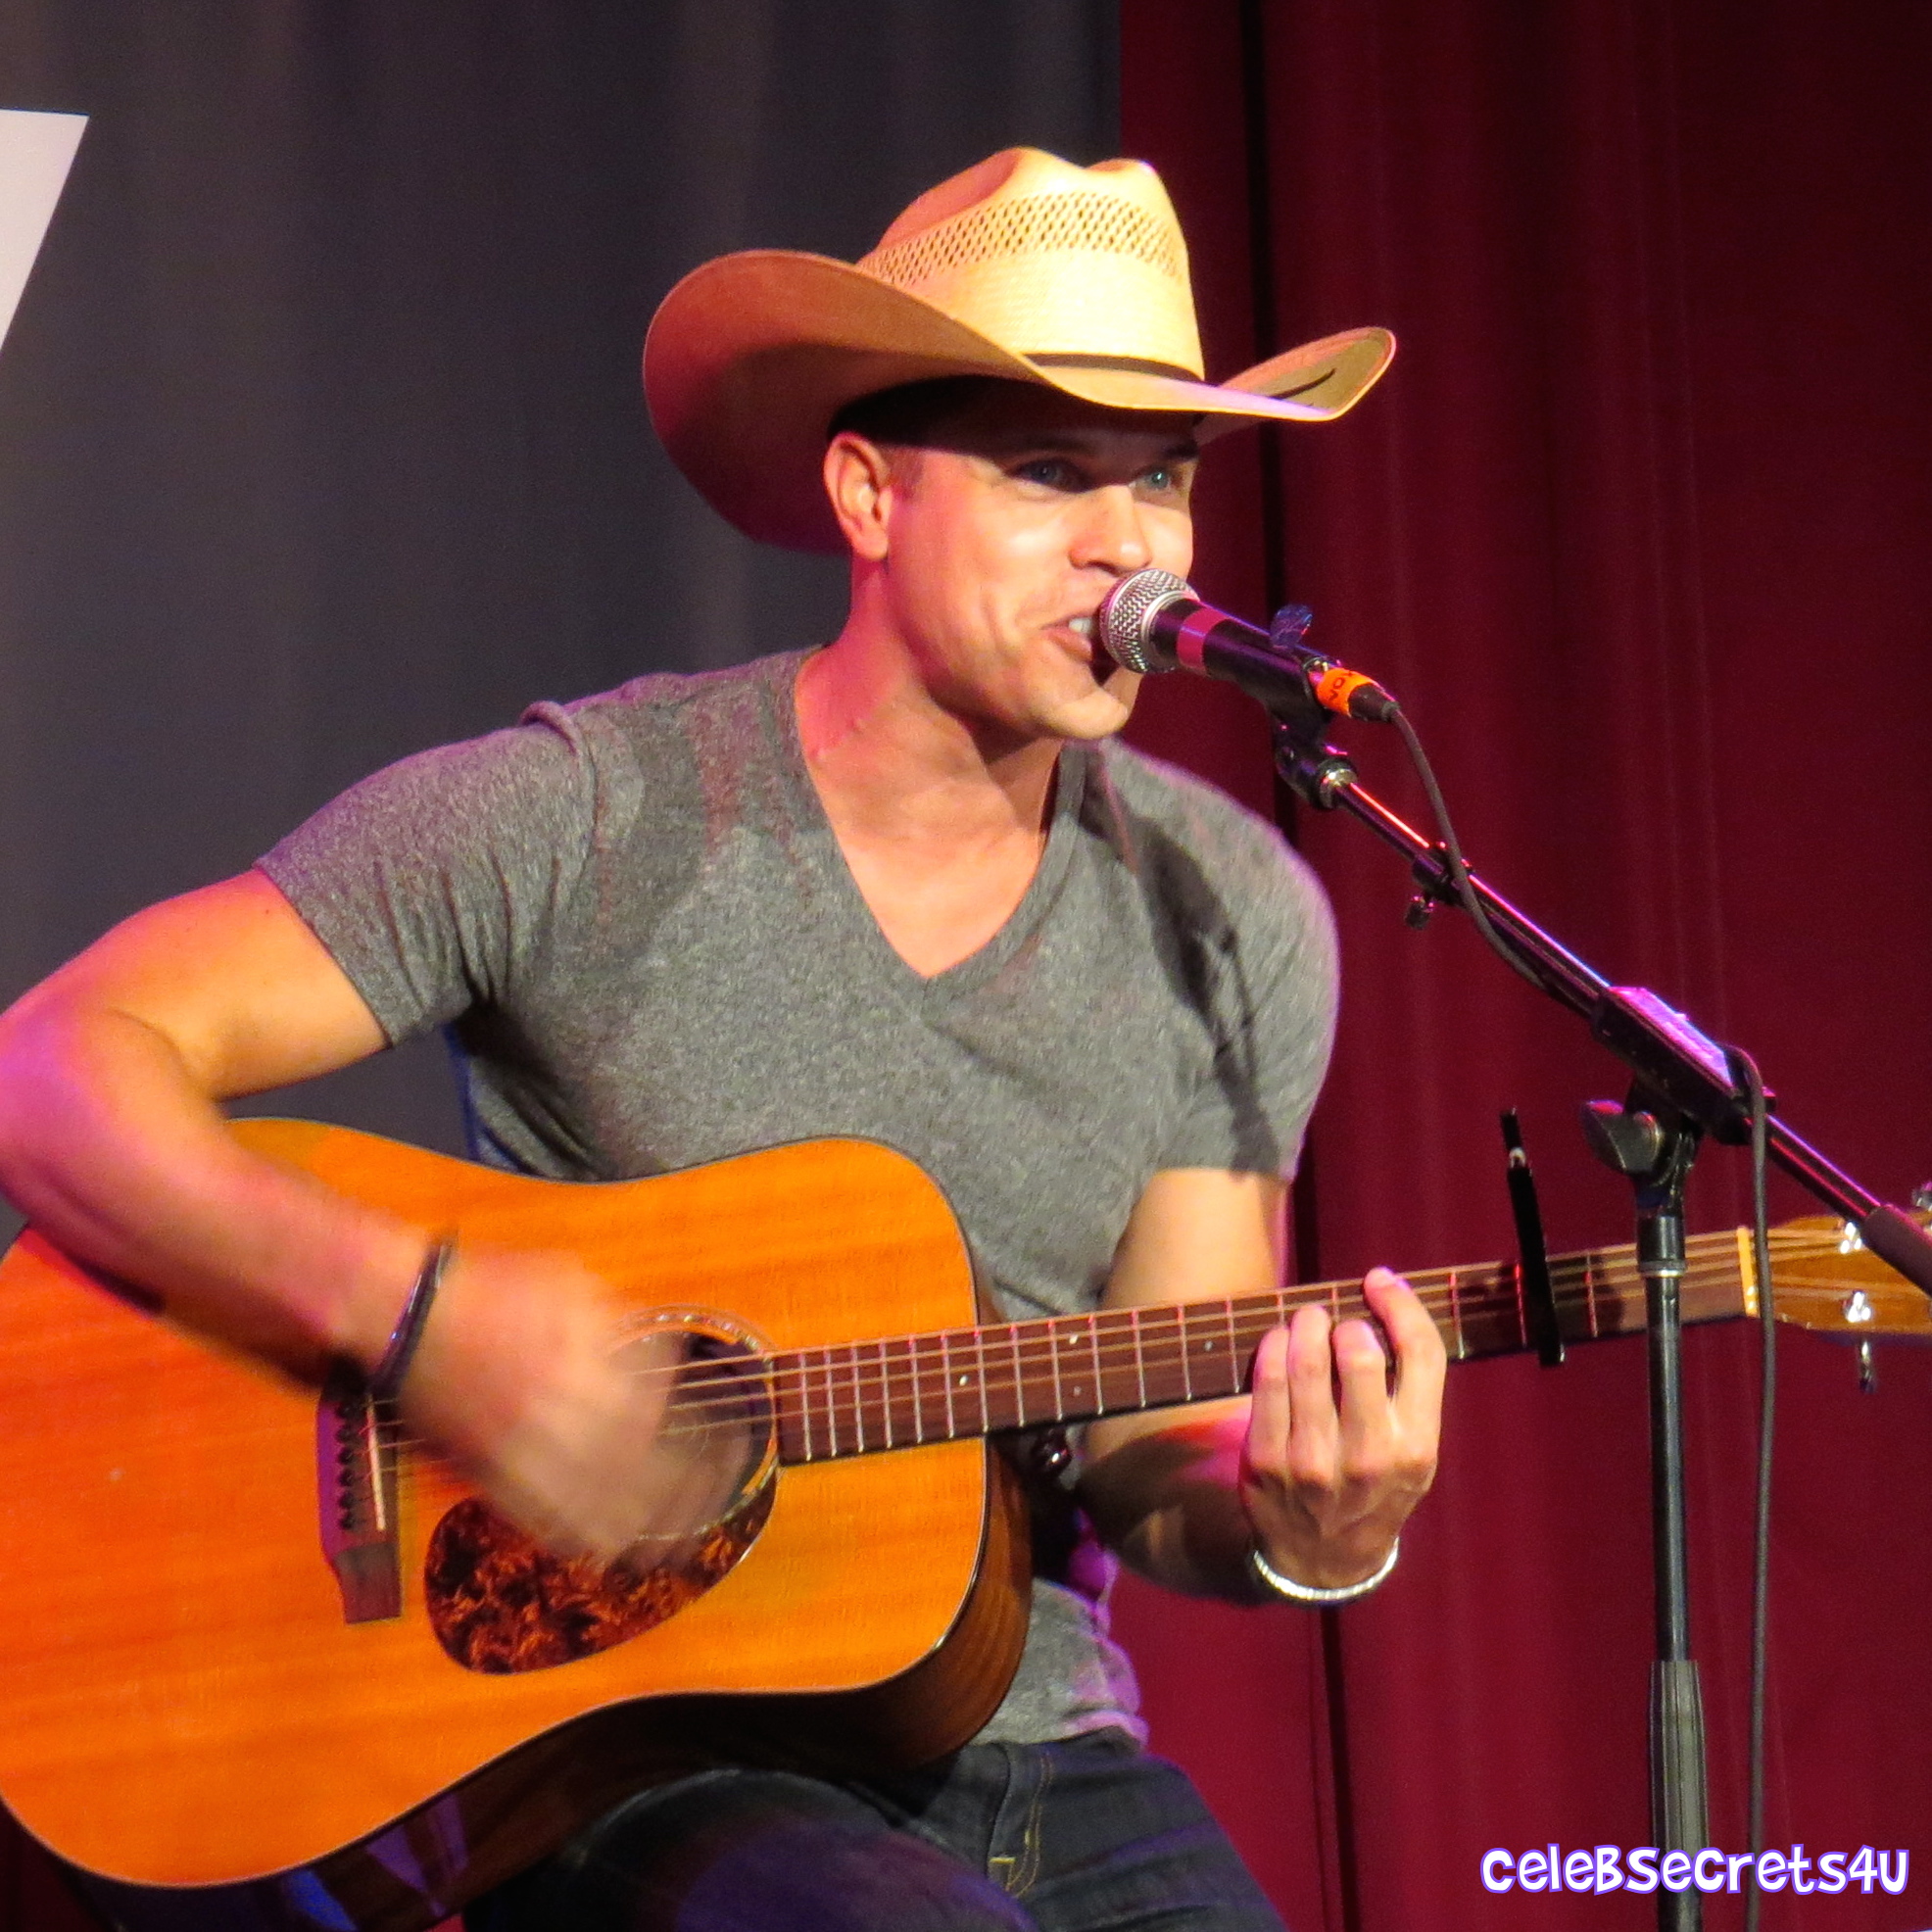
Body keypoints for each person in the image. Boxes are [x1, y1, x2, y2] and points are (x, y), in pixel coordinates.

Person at [0, 148, 1445, 1930]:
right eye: (1051, 474)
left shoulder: (1234, 910)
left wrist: (1314, 1528)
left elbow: (1158, 1448)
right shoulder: (585, 814)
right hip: (637, 1749)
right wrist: (425, 1322)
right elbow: (57, 1065)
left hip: (1045, 1749)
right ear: (866, 493)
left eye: (1163, 481)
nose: (1130, 544)